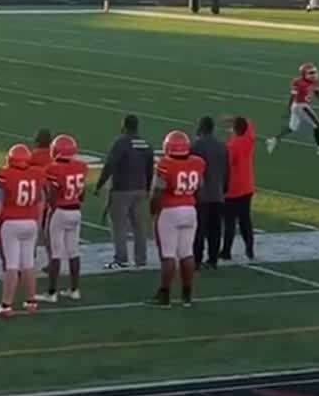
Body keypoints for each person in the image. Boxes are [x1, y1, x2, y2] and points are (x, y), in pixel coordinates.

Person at [0, 144, 47, 318]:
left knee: (11, 266)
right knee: (28, 263)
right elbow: (41, 202)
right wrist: (37, 224)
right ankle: (31, 301)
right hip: (30, 222)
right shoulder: (36, 176)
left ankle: (6, 305)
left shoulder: (6, 177)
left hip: (11, 223)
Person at [151, 131, 204, 307]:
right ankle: (187, 294)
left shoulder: (166, 164)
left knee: (168, 255)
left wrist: (153, 209)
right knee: (187, 253)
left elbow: (159, 191)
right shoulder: (197, 163)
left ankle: (164, 295)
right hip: (190, 210)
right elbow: (200, 188)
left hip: (170, 211)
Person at [96, 115, 154, 270]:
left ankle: (121, 259)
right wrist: (147, 188)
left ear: (124, 126)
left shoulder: (120, 143)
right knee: (139, 226)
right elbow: (150, 169)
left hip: (121, 189)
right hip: (140, 189)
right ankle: (141, 259)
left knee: (119, 226)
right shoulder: (145, 144)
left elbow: (110, 165)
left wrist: (99, 185)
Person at [41, 134, 89, 300]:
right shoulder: (81, 167)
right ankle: (75, 290)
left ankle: (51, 292)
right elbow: (82, 195)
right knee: (74, 251)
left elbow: (53, 194)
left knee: (55, 253)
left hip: (60, 211)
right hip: (76, 211)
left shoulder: (53, 169)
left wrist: (52, 208)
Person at [190, 117, 229, 270]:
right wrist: (223, 189)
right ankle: (213, 259)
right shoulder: (222, 146)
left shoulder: (196, 146)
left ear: (201, 128)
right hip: (217, 193)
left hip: (200, 195)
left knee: (199, 229)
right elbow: (227, 172)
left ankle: (197, 260)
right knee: (215, 230)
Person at [268, 63, 319, 155]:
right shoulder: (298, 82)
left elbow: (317, 92)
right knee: (317, 125)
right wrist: (289, 109)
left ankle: (273, 139)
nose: (314, 74)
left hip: (300, 106)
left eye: (314, 72)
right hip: (300, 106)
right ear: (304, 74)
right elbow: (292, 96)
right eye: (311, 73)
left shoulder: (315, 82)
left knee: (292, 128)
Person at [222, 117, 258, 260]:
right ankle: (249, 248)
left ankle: (226, 251)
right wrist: (234, 119)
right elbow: (249, 124)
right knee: (245, 220)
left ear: (235, 130)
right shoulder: (249, 140)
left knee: (229, 222)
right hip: (247, 186)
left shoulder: (232, 146)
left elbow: (227, 166)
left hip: (233, 189)